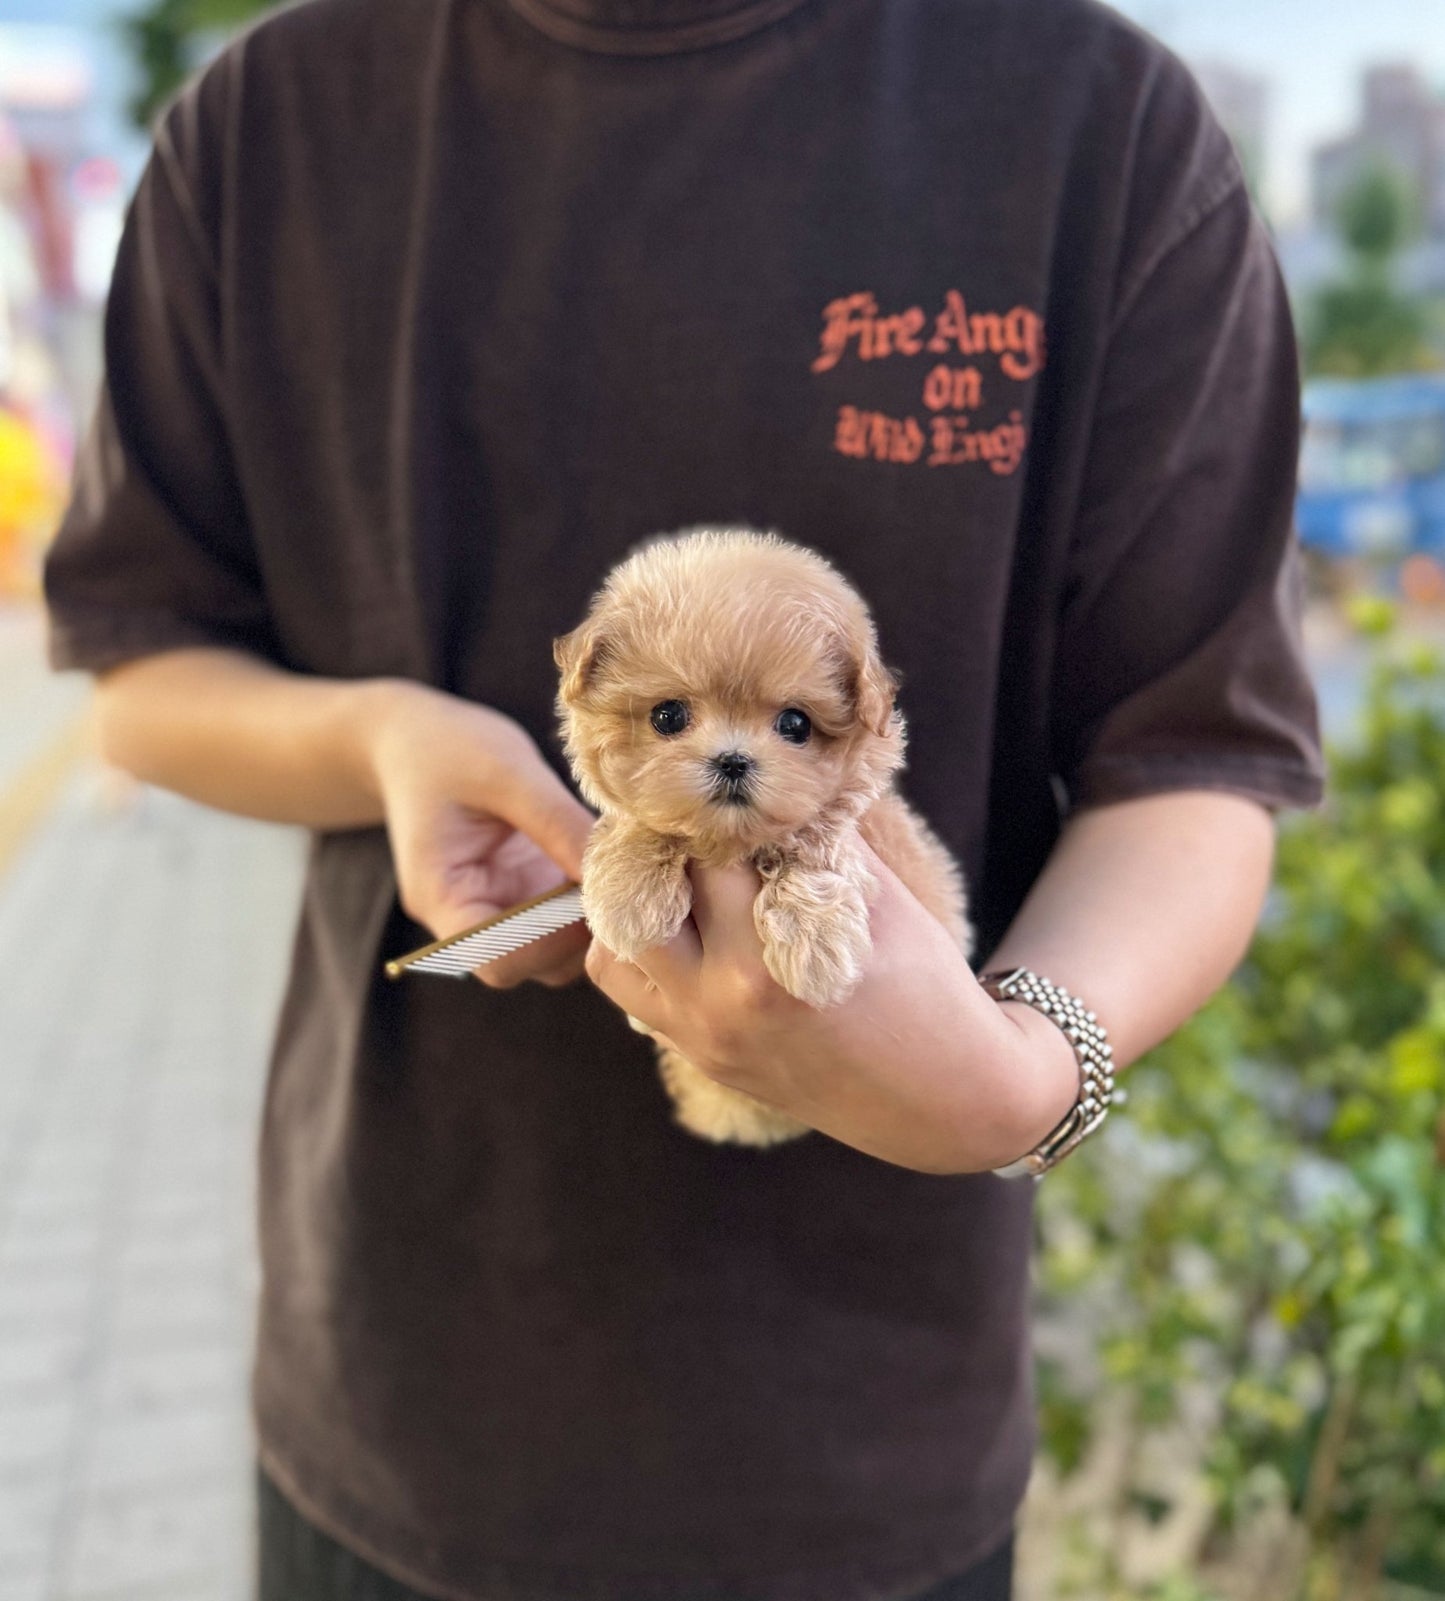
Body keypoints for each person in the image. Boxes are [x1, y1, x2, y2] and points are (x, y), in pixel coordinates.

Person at [41, 0, 1325, 1595]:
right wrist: (379, 736)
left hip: (870, 1438)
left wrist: (1020, 1073)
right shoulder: (265, 123)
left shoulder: (1096, 123)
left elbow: (1194, 758)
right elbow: (147, 668)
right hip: (398, 1378)